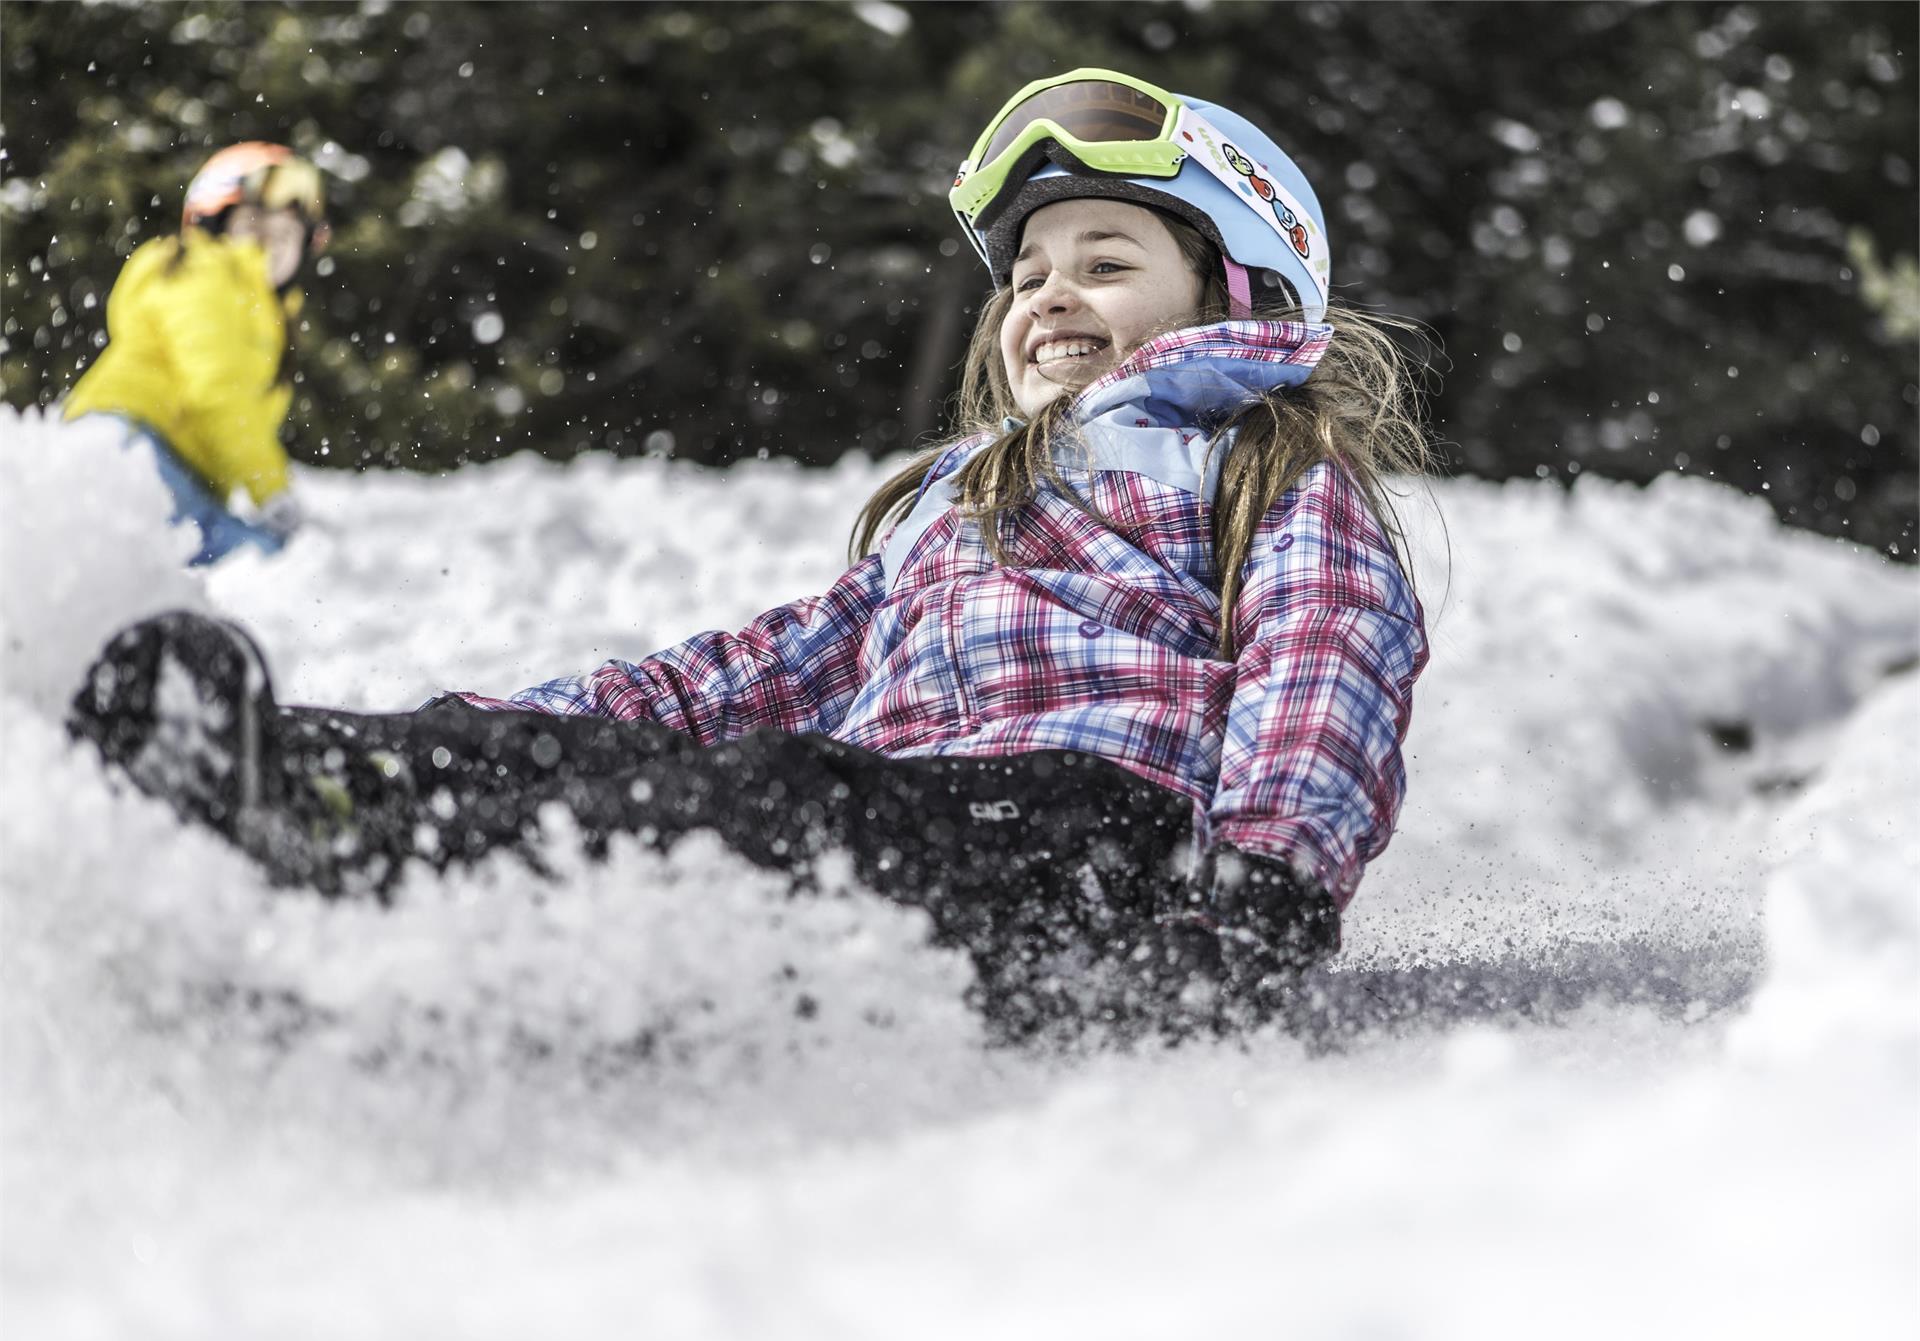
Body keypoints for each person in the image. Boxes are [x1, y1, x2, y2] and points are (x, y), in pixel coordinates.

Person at [69, 70, 1435, 1045]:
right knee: (673, 772)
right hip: (910, 824)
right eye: (1026, 276)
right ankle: (306, 786)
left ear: (1237, 293)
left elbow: (1329, 653)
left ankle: (413, 914)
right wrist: (511, 728)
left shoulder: (1256, 465)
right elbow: (756, 672)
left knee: (780, 803)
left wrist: (1269, 875)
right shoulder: (954, 513)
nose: (1049, 296)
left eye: (1106, 261)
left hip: (1110, 857)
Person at [64, 142, 329, 565]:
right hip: (133, 446)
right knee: (254, 558)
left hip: (159, 461)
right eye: (254, 227)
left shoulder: (265, 311)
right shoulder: (204, 271)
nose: (268, 245)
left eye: (284, 235)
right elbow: (218, 393)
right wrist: (272, 489)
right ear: (213, 224)